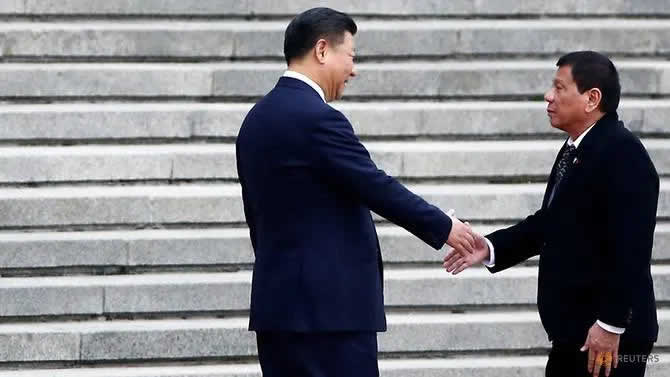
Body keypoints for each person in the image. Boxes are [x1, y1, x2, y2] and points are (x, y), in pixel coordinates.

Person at [236, 7, 476, 377]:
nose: (354, 69)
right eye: (350, 56)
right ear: (321, 50)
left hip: (278, 310)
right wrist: (445, 226)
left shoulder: (256, 119)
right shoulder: (318, 118)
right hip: (330, 316)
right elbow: (373, 184)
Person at [444, 51, 659, 377]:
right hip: (575, 335)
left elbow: (632, 248)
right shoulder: (580, 147)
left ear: (592, 99)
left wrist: (611, 324)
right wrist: (489, 248)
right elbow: (553, 222)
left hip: (604, 341)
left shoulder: (622, 153)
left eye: (559, 88)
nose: (548, 96)